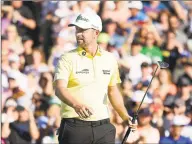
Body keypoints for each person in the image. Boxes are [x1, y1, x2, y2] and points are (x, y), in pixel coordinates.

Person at [53, 12, 137, 144]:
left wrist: (125, 116)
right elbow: (59, 88)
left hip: (103, 127)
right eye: (77, 30)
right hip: (75, 126)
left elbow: (113, 91)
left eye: (83, 30)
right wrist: (76, 105)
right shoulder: (67, 58)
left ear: (96, 33)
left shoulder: (109, 58)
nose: (78, 33)